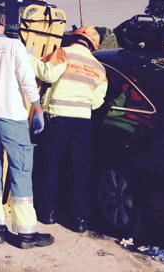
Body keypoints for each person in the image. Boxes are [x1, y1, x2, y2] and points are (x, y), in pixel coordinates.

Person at [0, 5, 53, 249]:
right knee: (21, 170)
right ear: (3, 22)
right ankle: (26, 233)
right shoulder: (15, 47)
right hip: (12, 118)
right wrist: (38, 110)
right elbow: (27, 82)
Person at [31, 26, 108, 233]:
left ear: (75, 37)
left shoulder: (63, 52)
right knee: (80, 170)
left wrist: (29, 59)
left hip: (58, 116)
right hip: (83, 119)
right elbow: (98, 100)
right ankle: (80, 219)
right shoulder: (99, 67)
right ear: (93, 45)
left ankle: (47, 213)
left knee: (51, 165)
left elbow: (48, 74)